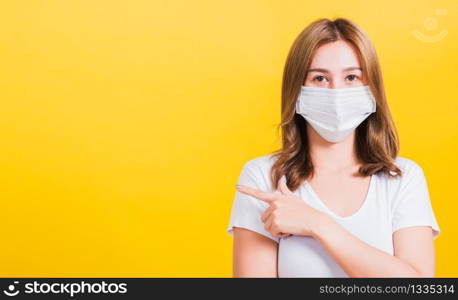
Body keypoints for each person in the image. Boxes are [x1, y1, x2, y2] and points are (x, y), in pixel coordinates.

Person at [226, 17, 440, 278]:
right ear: (297, 90)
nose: (336, 91)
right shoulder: (263, 178)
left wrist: (317, 224)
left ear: (370, 88)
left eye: (351, 77)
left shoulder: (402, 178)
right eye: (319, 78)